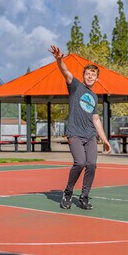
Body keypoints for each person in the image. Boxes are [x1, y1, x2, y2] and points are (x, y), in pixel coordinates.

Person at [49, 45, 111, 210]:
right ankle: (68, 192)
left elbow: (96, 119)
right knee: (80, 162)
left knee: (91, 164)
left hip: (90, 135)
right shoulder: (76, 86)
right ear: (83, 76)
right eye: (88, 73)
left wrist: (105, 140)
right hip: (75, 134)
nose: (90, 76)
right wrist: (59, 59)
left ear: (97, 78)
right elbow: (66, 72)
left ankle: (84, 196)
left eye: (93, 75)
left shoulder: (94, 97)